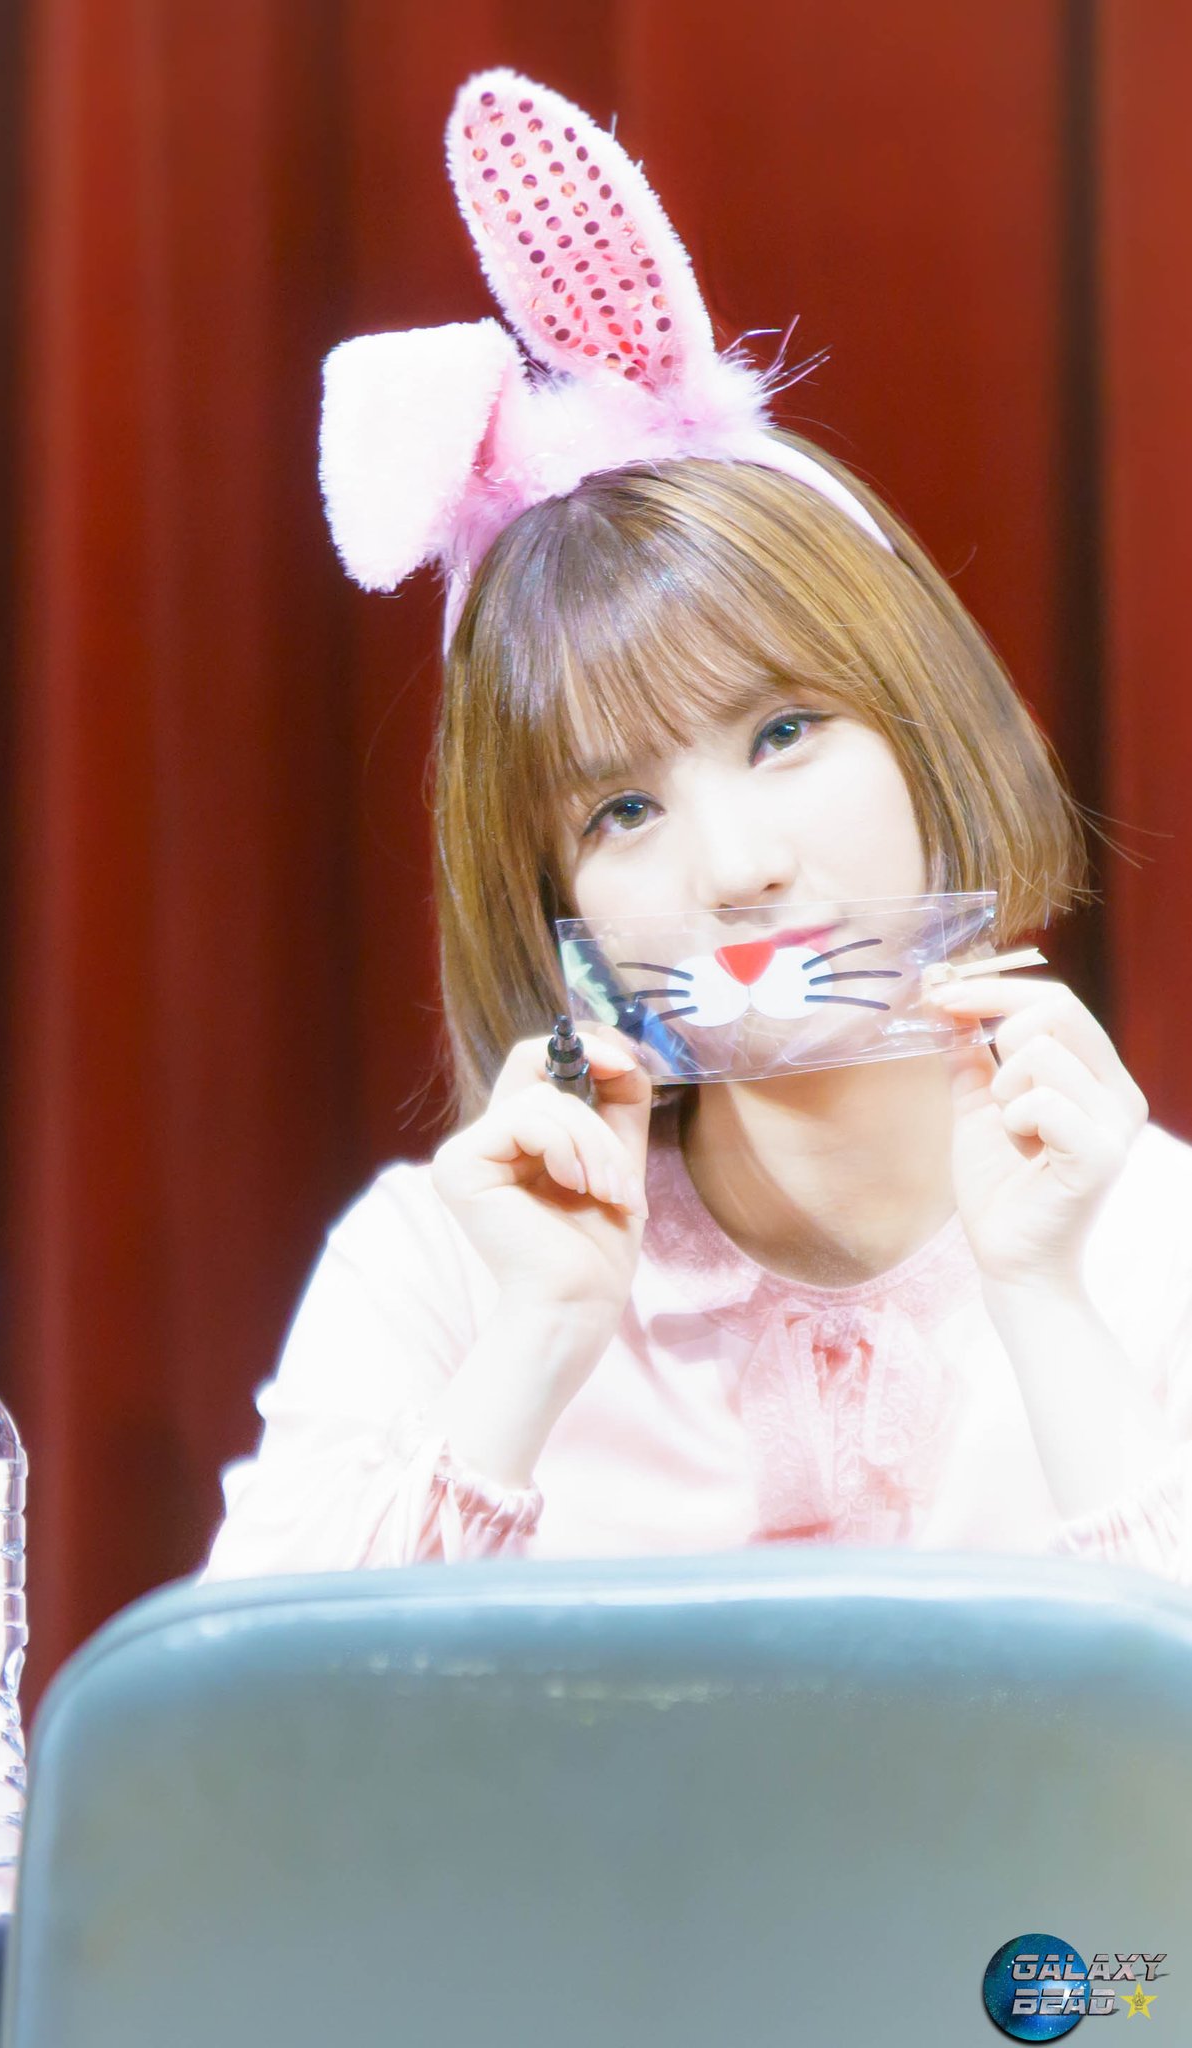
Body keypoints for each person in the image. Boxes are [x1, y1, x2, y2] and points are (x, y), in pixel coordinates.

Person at [204, 68, 1192, 1588]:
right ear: (552, 907)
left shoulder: (1148, 1242)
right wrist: (535, 1347)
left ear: (925, 728)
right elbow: (255, 1724)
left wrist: (1048, 1305)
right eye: (620, 809)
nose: (738, 868)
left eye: (784, 734)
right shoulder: (444, 1270)